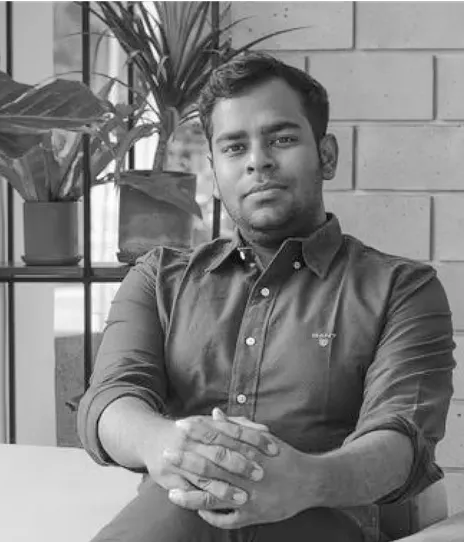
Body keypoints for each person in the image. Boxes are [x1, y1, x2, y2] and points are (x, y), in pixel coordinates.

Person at [77, 52, 456, 542]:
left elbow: (404, 439)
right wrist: (169, 443)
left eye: (282, 139)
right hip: (173, 517)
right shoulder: (157, 278)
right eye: (235, 147)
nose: (258, 160)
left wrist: (304, 481)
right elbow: (110, 399)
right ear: (214, 172)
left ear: (326, 156)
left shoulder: (402, 289)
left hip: (324, 523)